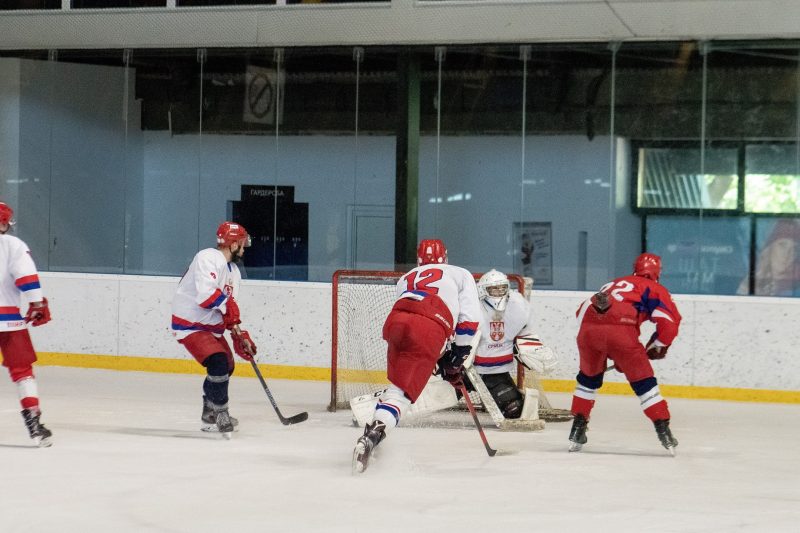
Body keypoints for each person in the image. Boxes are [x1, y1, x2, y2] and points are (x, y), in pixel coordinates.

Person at [352, 238, 481, 473]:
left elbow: (413, 310)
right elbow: (470, 320)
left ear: (419, 259)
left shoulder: (406, 277)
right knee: (402, 397)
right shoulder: (460, 273)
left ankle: (372, 433)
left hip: (396, 323)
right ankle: (371, 437)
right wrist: (458, 356)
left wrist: (446, 357)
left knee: (396, 390)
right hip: (428, 327)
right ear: (445, 256)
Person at [570, 252, 682, 454]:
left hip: (587, 332)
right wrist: (657, 345)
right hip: (622, 335)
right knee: (644, 384)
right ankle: (663, 431)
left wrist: (601, 344)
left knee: (587, 380)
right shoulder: (655, 289)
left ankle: (577, 428)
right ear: (657, 272)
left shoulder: (612, 284)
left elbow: (581, 311)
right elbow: (669, 324)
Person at [171, 221, 257, 438]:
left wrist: (238, 333)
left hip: (211, 327)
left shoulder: (234, 271)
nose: (244, 248)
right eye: (242, 244)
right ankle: (220, 413)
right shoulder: (208, 257)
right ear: (233, 244)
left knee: (227, 366)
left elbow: (228, 310)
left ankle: (209, 412)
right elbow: (206, 295)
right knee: (218, 362)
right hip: (190, 323)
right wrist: (228, 308)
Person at [470, 269, 557, 419]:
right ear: (482, 290)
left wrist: (531, 348)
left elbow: (525, 333)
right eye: (494, 289)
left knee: (514, 410)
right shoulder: (472, 306)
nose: (499, 292)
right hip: (464, 371)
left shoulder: (518, 305)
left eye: (502, 288)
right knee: (438, 398)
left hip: (496, 374)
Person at [0, 202, 53, 447]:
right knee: (22, 372)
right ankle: (34, 425)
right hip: (9, 322)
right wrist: (37, 303)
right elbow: (26, 277)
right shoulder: (12, 245)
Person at [737, 219, 800, 297]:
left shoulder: (796, 290)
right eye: (782, 245)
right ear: (769, 250)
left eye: (794, 248)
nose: (788, 253)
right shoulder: (748, 287)